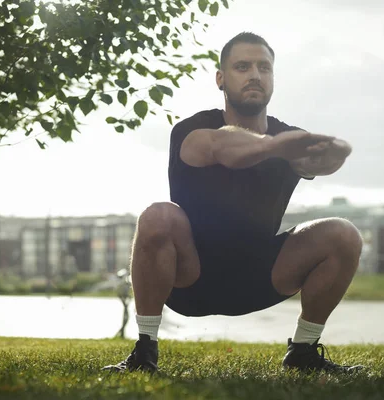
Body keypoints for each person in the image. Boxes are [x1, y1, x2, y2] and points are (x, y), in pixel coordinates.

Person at [103, 32, 363, 374]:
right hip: (188, 279)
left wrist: (333, 153)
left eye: (264, 67)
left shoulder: (287, 136)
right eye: (242, 66)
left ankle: (303, 353)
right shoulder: (193, 130)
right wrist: (275, 148)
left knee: (343, 234)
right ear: (221, 79)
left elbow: (326, 158)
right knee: (158, 216)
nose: (255, 74)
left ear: (273, 78)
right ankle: (144, 352)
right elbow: (223, 149)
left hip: (261, 278)